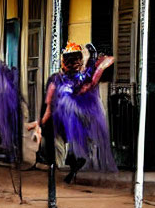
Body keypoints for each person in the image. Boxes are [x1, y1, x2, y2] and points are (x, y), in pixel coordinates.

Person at [29, 41, 117, 183]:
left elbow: (91, 82)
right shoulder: (62, 78)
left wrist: (97, 63)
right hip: (67, 116)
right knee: (67, 145)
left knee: (76, 145)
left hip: (74, 115)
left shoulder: (73, 78)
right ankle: (68, 165)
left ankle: (72, 166)